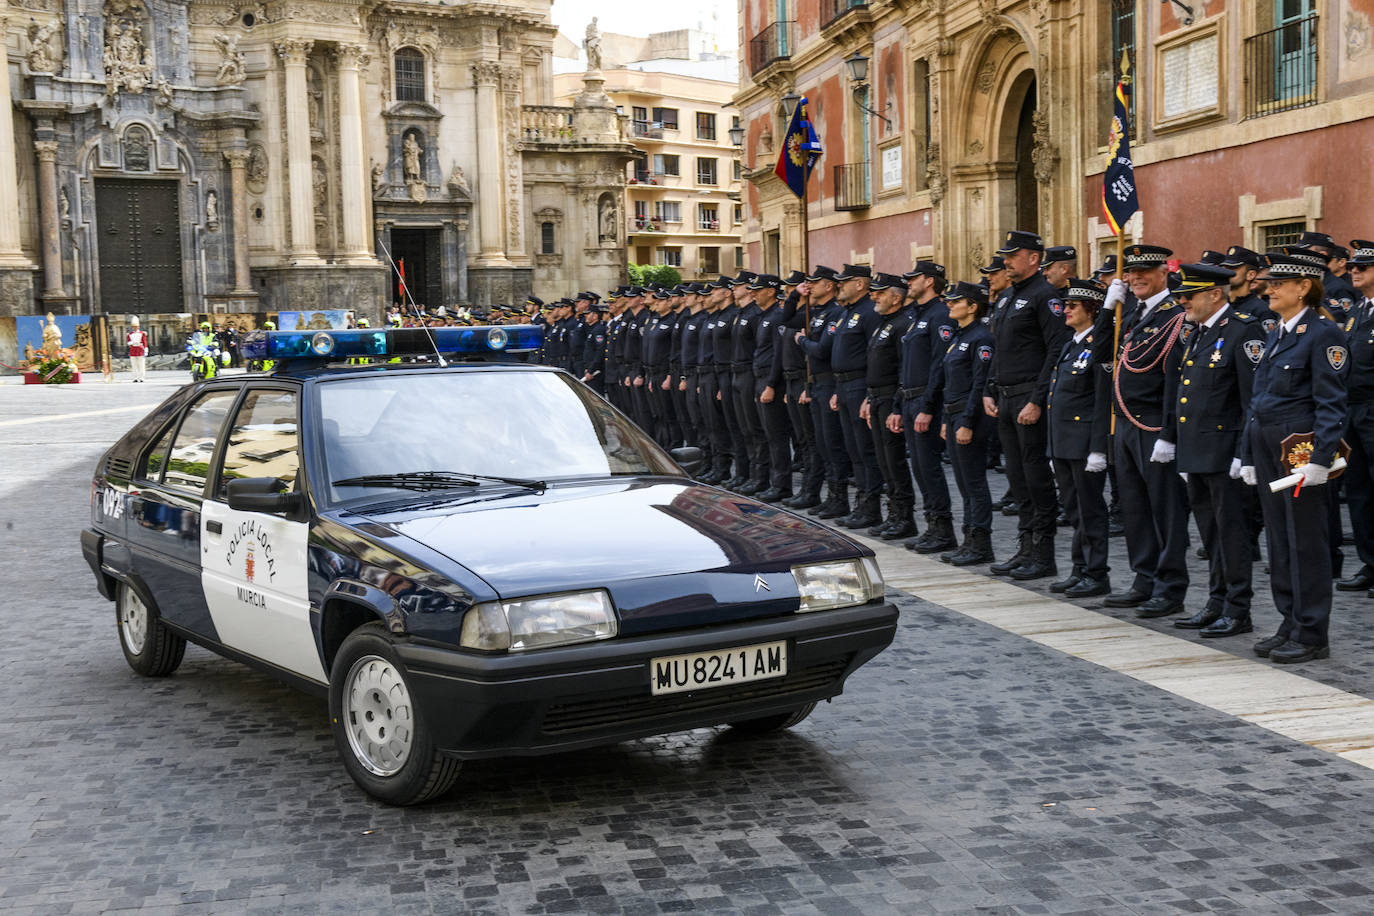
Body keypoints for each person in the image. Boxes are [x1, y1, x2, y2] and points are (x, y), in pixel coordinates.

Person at [1239, 251, 1350, 663]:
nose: (1269, 288)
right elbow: (1259, 398)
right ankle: (1290, 620)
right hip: (1269, 445)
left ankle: (1311, 631)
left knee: (1306, 541)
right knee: (1280, 540)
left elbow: (1332, 402)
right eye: (1270, 282)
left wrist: (1321, 458)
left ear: (1304, 287)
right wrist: (1249, 452)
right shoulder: (1280, 332)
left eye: (1279, 283)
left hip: (1299, 450)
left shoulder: (1323, 333)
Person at [1170, 262, 1266, 636]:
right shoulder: (1199, 332)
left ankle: (1238, 609)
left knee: (1232, 533)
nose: (1183, 302)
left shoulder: (1243, 331)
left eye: (1189, 295)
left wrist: (1245, 454)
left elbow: (1251, 400)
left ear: (1214, 294)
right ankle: (1216, 600)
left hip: (1226, 454)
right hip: (1198, 451)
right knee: (1210, 533)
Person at [1100, 244, 1191, 618]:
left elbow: (1175, 381)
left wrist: (1169, 434)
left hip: (1154, 426)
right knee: (1135, 508)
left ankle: (1170, 587)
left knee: (1166, 512)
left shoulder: (1175, 317)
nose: (1136, 278)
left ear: (1163, 274)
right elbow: (1102, 355)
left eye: (1145, 273)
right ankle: (1144, 577)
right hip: (1125, 425)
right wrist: (1108, 310)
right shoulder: (1133, 314)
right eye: (1132, 273)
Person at [983, 230, 1070, 579]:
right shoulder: (1006, 298)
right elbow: (999, 348)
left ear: (1033, 258)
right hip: (1005, 397)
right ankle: (1025, 547)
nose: (1006, 261)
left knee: (1036, 477)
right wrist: (989, 388)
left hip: (1027, 397)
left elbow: (1056, 350)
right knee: (1017, 477)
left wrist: (1038, 398)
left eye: (1013, 255)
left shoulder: (1045, 296)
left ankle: (1043, 554)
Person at [1045, 279, 1112, 597]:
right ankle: (1079, 568)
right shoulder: (1071, 342)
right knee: (1073, 510)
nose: (1066, 310)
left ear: (1092, 309)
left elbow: (1102, 400)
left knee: (1090, 510)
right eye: (1066, 305)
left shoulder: (1097, 345)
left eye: (1073, 306)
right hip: (1063, 442)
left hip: (1085, 443)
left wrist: (1099, 447)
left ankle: (1097, 572)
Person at [891, 262, 956, 552]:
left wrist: (928, 406)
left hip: (924, 400)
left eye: (913, 278)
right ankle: (931, 525)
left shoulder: (940, 315)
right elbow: (905, 365)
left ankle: (943, 530)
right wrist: (897, 404)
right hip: (908, 398)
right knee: (918, 466)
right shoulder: (917, 315)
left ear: (929, 281)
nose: (908, 283)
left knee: (929, 467)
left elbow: (938, 365)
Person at [930, 282, 996, 566]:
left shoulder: (981, 338)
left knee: (974, 482)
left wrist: (967, 421)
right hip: (955, 414)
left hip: (971, 417)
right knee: (963, 483)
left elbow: (978, 384)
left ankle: (980, 543)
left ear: (972, 306)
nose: (949, 304)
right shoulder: (960, 337)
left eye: (956, 301)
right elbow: (950, 384)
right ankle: (968, 539)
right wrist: (947, 419)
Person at [861, 272, 916, 538]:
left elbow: (902, 369)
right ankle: (893, 513)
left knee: (894, 460)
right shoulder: (884, 324)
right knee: (883, 460)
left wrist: (896, 406)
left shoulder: (902, 324)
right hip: (876, 397)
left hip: (890, 399)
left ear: (896, 298)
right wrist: (868, 398)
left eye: (880, 293)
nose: (874, 296)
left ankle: (905, 517)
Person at [829, 265, 884, 529]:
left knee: (865, 449)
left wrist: (868, 395)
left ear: (860, 284)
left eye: (845, 281)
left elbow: (873, 355)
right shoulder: (848, 312)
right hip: (844, 386)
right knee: (854, 449)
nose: (840, 285)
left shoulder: (869, 313)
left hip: (860, 385)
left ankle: (871, 506)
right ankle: (861, 505)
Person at [797, 266, 852, 519]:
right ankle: (831, 497)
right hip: (817, 383)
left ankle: (839, 498)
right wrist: (796, 296)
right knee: (822, 443)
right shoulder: (816, 311)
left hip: (831, 383)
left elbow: (821, 351)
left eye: (815, 283)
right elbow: (787, 319)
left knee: (833, 444)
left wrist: (801, 341)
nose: (810, 287)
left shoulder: (835, 313)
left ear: (829, 285)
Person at [1337, 240, 1374, 598]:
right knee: (1360, 491)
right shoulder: (1357, 311)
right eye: (1353, 267)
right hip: (1353, 412)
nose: (1355, 272)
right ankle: (1370, 562)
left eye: (1364, 266)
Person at [777, 271, 825, 509]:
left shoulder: (816, 314)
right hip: (793, 382)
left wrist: (807, 386)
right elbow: (785, 319)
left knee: (812, 440)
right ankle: (806, 488)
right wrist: (795, 296)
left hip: (807, 382)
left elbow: (816, 356)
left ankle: (812, 490)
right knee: (803, 441)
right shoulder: (801, 314)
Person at [748, 275, 793, 502]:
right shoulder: (763, 316)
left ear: (771, 291)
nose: (753, 293)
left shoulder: (777, 316)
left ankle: (781, 485)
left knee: (777, 437)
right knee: (766, 434)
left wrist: (771, 384)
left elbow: (778, 354)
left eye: (758, 289)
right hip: (759, 378)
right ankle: (768, 481)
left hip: (769, 380)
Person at [127, 316, 148, 382]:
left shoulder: (142, 334)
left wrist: (146, 350)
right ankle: (135, 377)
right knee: (134, 365)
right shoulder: (129, 334)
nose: (134, 328)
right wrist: (132, 343)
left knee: (141, 365)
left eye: (136, 326)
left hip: (140, 350)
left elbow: (145, 342)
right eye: (133, 327)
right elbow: (128, 342)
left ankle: (141, 377)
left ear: (138, 327)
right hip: (133, 350)